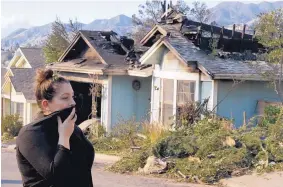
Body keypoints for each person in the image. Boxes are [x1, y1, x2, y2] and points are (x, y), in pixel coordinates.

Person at [16, 69, 95, 187]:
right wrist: (64, 137)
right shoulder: (31, 134)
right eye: (65, 98)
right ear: (46, 104)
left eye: (72, 97)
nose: (73, 103)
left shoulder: (73, 129)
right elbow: (57, 175)